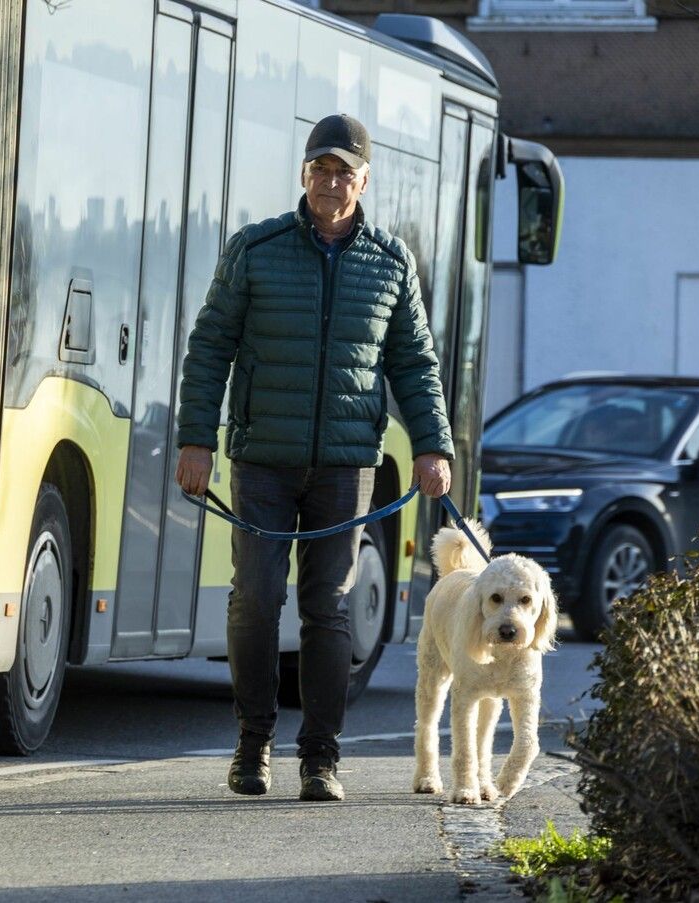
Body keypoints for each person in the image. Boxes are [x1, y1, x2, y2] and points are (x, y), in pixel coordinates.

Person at [174, 113, 454, 802]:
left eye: (344, 172)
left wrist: (432, 446)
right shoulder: (257, 248)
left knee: (329, 607)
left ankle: (321, 758)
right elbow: (211, 344)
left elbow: (414, 362)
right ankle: (252, 746)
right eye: (320, 169)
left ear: (364, 180)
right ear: (304, 176)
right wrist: (195, 439)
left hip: (345, 466)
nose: (331, 182)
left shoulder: (390, 264)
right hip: (262, 458)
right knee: (257, 599)